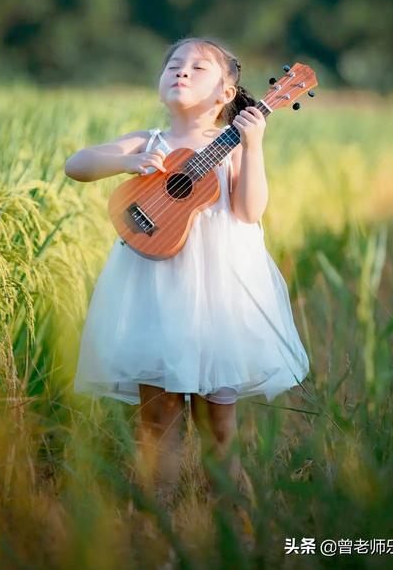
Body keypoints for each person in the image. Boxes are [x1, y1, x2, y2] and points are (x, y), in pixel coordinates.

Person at [66, 35, 310, 508]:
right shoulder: (148, 141)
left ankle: (232, 518)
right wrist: (127, 161)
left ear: (225, 94)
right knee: (157, 421)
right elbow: (76, 164)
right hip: (154, 291)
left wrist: (253, 146)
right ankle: (159, 521)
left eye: (198, 68)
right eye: (174, 64)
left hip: (217, 295)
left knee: (219, 424)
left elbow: (248, 211)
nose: (181, 71)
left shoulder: (233, 147)